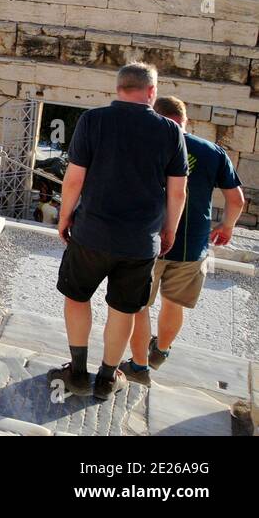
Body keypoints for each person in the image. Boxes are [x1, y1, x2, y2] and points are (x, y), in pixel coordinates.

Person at [47, 63, 188, 402]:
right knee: (123, 310)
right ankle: (108, 378)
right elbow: (178, 192)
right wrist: (169, 230)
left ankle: (78, 373)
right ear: (151, 92)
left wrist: (64, 217)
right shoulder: (171, 131)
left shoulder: (93, 121)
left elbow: (75, 179)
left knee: (77, 298)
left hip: (92, 231)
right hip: (140, 240)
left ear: (118, 87)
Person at [123, 96, 244, 383]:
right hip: (192, 243)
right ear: (186, 120)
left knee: (139, 305)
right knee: (173, 303)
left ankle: (138, 367)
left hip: (148, 238)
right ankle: (161, 351)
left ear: (157, 117)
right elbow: (236, 200)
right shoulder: (212, 151)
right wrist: (227, 227)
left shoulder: (144, 145)